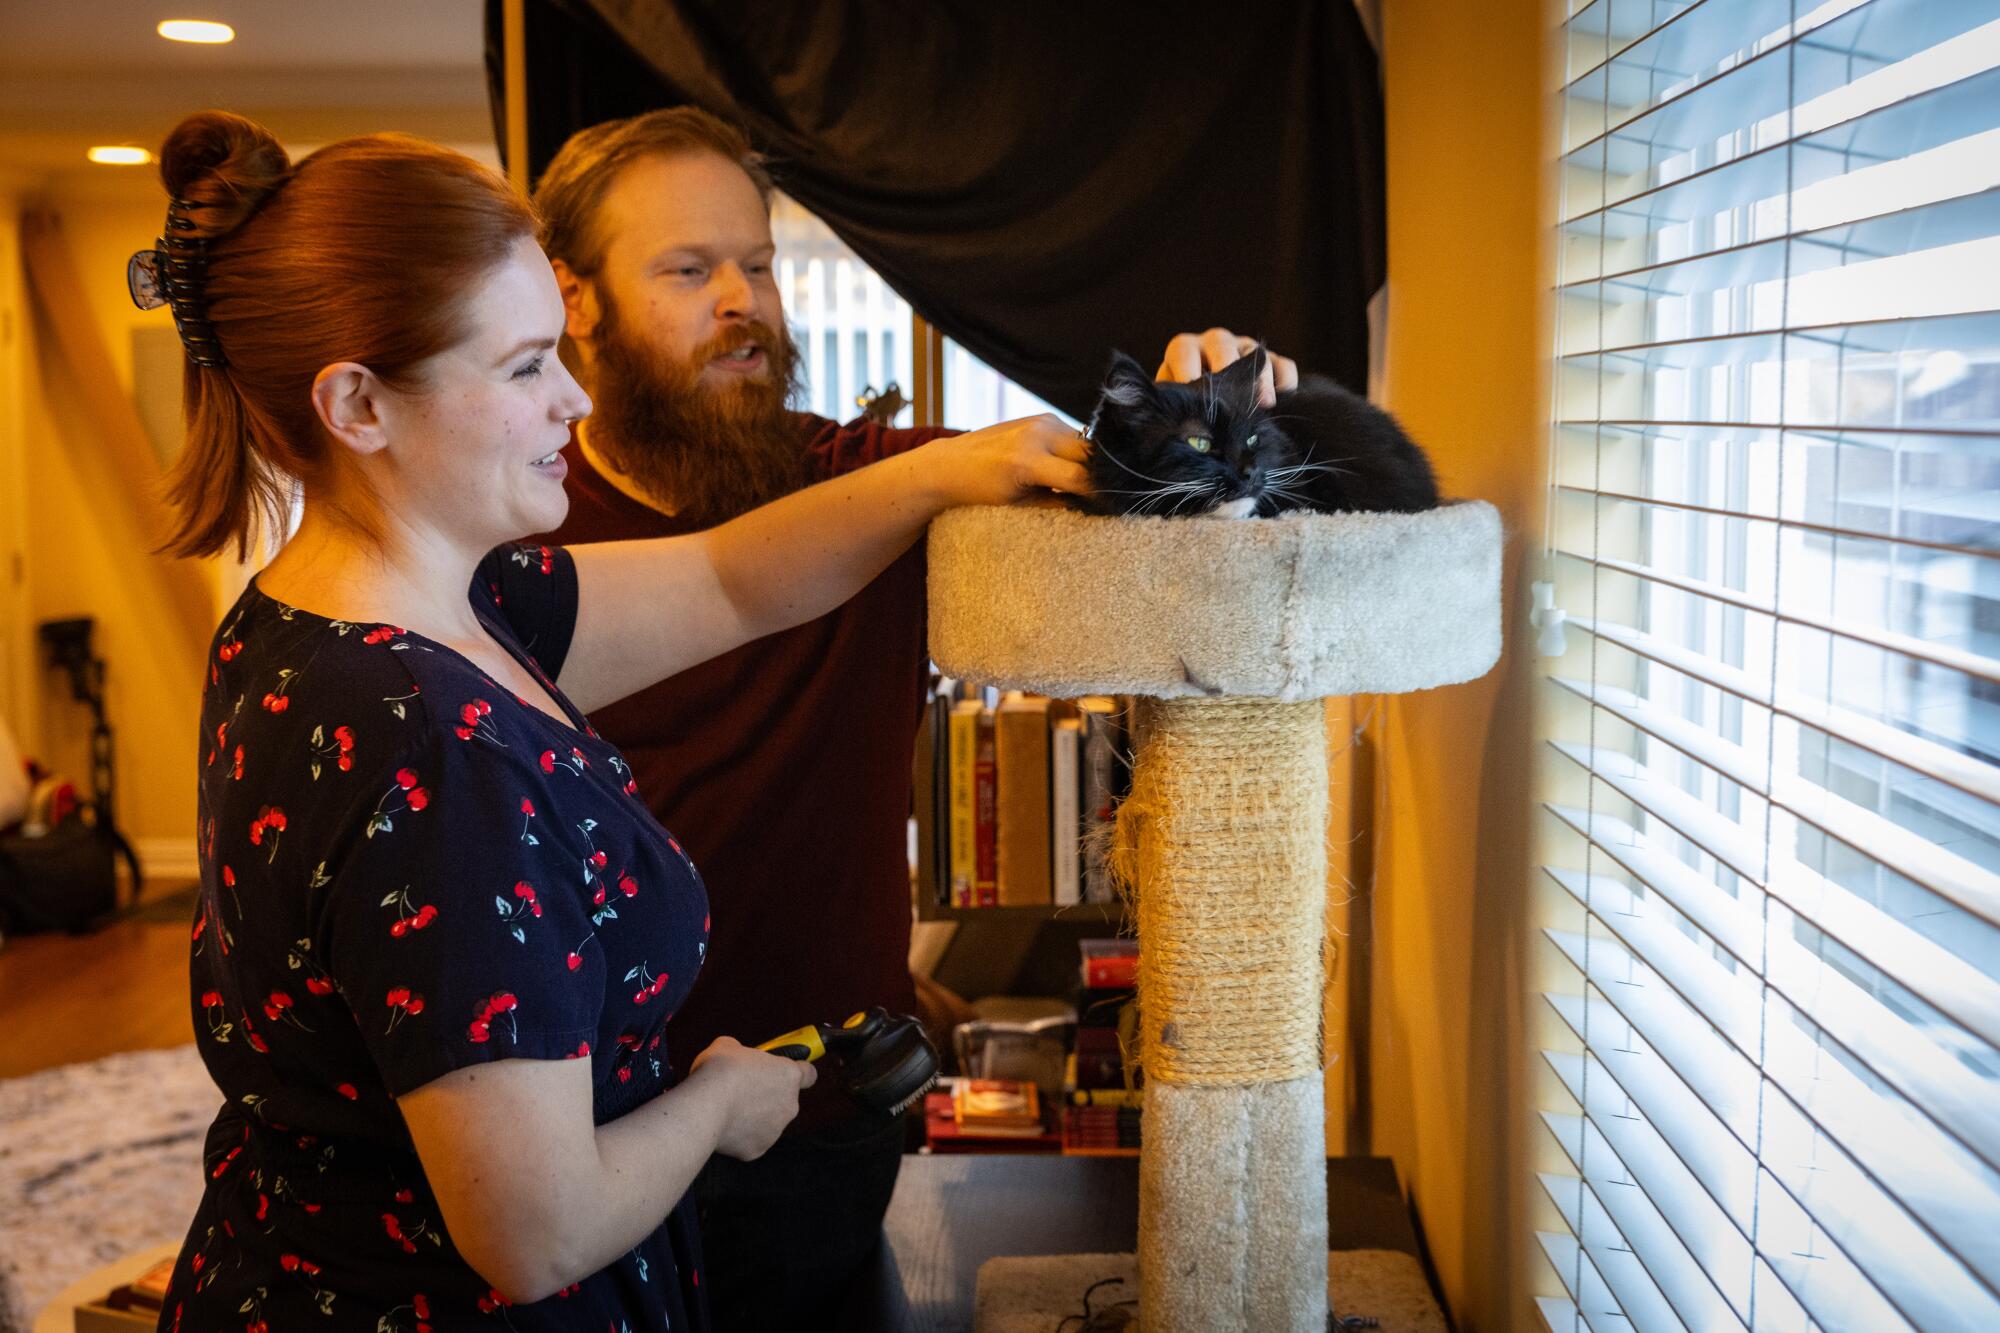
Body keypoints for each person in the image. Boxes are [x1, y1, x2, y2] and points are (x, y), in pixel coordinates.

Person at [146, 109, 1086, 1333]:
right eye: (526, 365)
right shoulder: (432, 745)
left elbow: (726, 579)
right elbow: (532, 1233)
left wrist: (958, 466)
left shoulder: (383, 611)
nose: (571, 400)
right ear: (358, 405)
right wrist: (718, 1104)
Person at [530, 106, 1298, 1326]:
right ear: (576, 301)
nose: (742, 300)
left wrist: (1193, 405)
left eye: (760, 265)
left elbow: (1123, 497)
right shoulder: (518, 522)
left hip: (821, 1108)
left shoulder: (877, 486)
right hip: (575, 1125)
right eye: (686, 270)